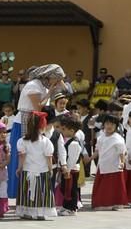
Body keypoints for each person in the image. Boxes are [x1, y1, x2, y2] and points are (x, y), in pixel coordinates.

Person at [7, 64, 66, 199]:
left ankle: (28, 193)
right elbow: (38, 107)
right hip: (26, 120)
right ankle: (19, 192)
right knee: (24, 154)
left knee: (33, 154)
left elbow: (66, 90)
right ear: (49, 76)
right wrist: (50, 91)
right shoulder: (34, 85)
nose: (56, 83)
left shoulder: (43, 85)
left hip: (34, 120)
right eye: (55, 79)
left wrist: (57, 82)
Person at [15, 112, 56, 220]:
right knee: (42, 192)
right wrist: (51, 169)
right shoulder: (46, 141)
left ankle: (28, 212)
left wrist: (19, 168)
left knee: (27, 192)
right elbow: (48, 157)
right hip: (42, 171)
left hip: (27, 170)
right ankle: (40, 213)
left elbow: (22, 157)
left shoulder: (22, 141)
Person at [91, 114, 127, 210]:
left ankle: (114, 204)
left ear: (116, 126)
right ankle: (102, 203)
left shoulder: (118, 138)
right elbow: (97, 151)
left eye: (112, 124)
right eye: (107, 124)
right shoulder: (100, 137)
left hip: (114, 166)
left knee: (113, 187)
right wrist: (90, 159)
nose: (109, 126)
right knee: (103, 187)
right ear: (104, 125)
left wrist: (122, 162)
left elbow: (121, 152)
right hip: (102, 165)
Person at [58, 116, 83, 216]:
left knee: (71, 190)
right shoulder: (68, 140)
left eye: (64, 129)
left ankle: (72, 208)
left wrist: (67, 170)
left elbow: (72, 159)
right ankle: (65, 206)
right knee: (65, 188)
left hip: (71, 170)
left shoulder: (74, 143)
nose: (62, 131)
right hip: (68, 170)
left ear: (72, 130)